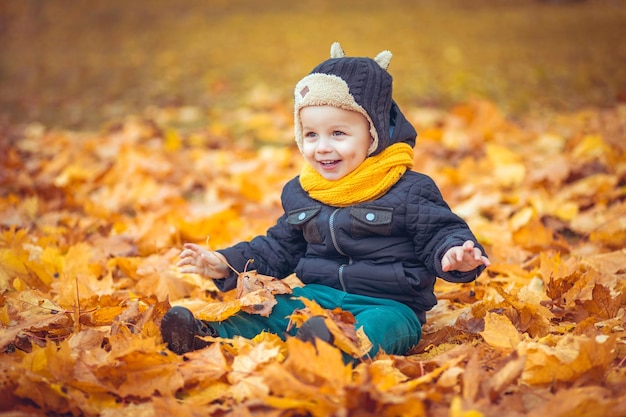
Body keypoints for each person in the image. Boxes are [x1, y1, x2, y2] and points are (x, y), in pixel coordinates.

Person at [160, 42, 490, 361]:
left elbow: (440, 232)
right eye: (311, 135)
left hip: (390, 304)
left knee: (379, 329)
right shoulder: (303, 191)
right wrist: (225, 263)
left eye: (338, 134)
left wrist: (455, 254)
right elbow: (277, 249)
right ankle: (208, 334)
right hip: (317, 299)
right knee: (273, 309)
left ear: (374, 135)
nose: (322, 147)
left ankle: (333, 349)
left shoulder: (408, 189)